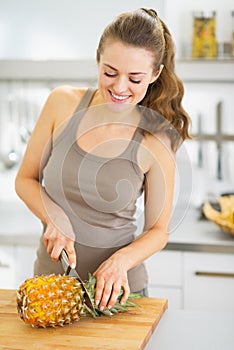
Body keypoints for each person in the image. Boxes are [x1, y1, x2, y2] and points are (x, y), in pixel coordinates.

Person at [15, 8, 191, 311]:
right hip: (50, 286)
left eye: (135, 78)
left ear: (155, 74)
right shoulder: (62, 103)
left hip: (118, 294)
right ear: (97, 59)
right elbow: (25, 180)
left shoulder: (157, 137)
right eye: (110, 72)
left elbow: (158, 231)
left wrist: (121, 260)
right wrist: (52, 216)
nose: (119, 88)